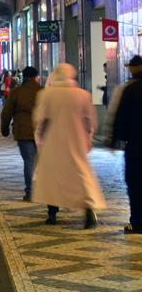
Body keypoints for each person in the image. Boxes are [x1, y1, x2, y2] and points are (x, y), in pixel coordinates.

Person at [32, 63, 105, 228]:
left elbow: (40, 121)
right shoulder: (83, 95)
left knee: (53, 178)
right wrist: (88, 138)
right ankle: (88, 210)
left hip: (53, 142)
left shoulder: (47, 95)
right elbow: (90, 121)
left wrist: (40, 141)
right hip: (76, 142)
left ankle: (52, 213)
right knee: (80, 176)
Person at [111, 55, 142, 234]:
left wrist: (115, 139)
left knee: (136, 186)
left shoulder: (130, 89)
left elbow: (120, 118)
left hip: (136, 149)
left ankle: (137, 223)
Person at [1, 66, 42, 201]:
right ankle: (45, 191)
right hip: (42, 132)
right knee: (43, 162)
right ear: (36, 77)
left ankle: (30, 192)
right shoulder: (43, 91)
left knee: (29, 162)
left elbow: (7, 112)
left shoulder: (17, 92)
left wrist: (5, 129)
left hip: (23, 132)